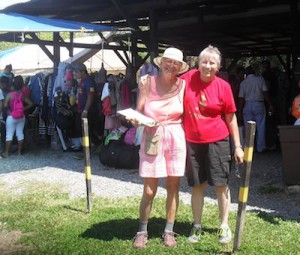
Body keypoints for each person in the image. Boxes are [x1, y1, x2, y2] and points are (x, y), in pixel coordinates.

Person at [180, 45, 244, 245]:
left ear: (218, 66)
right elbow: (167, 84)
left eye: (212, 62)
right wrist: (148, 81)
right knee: (197, 186)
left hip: (218, 141)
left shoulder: (223, 86)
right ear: (198, 63)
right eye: (204, 62)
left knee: (221, 185)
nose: (207, 66)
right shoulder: (187, 79)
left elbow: (231, 118)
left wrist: (238, 146)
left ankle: (224, 226)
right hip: (192, 142)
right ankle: (197, 226)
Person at [130, 47, 189, 248]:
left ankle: (169, 230)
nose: (171, 65)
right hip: (152, 136)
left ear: (180, 67)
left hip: (175, 138)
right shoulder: (147, 83)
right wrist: (134, 119)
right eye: (168, 61)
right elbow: (138, 113)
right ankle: (142, 230)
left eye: (175, 63)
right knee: (148, 190)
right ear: (161, 62)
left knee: (173, 187)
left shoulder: (183, 86)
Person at [238, 65, 273, 153]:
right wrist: (270, 104)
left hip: (247, 105)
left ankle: (249, 149)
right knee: (260, 127)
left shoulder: (243, 83)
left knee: (248, 128)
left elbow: (241, 98)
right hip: (259, 104)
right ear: (253, 72)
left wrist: (239, 110)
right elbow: (265, 92)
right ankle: (260, 148)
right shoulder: (260, 79)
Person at [2, 76, 33, 157]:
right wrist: (23, 109)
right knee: (20, 133)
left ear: (13, 86)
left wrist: (9, 110)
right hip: (21, 116)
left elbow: (5, 105)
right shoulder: (21, 95)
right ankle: (19, 152)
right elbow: (31, 104)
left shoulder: (9, 95)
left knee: (9, 134)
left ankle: (6, 152)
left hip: (12, 117)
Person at [71, 63, 96, 151]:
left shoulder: (89, 81)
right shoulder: (82, 81)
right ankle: (87, 148)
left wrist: (85, 111)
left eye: (76, 72)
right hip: (81, 109)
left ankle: (90, 147)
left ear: (83, 72)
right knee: (80, 128)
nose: (75, 73)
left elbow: (90, 96)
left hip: (88, 111)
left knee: (87, 129)